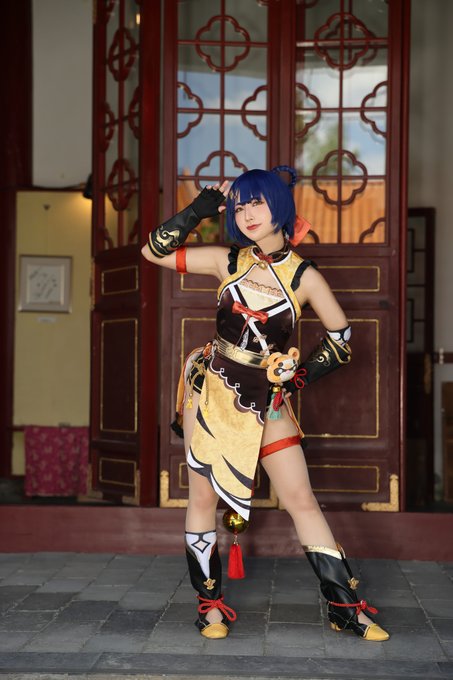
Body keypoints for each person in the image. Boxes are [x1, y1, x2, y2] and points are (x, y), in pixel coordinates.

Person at [142, 166, 389, 643]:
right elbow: (153, 251)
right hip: (213, 391)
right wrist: (197, 211)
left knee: (301, 499)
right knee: (202, 498)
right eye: (239, 207)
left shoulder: (304, 275)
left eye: (256, 202)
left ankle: (345, 608)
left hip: (270, 401)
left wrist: (298, 376)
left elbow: (341, 338)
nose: (247, 214)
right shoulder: (227, 260)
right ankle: (210, 606)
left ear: (280, 205)